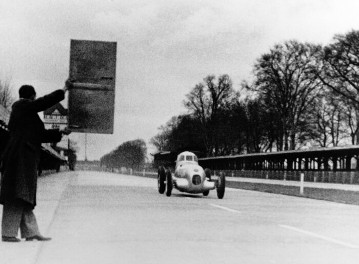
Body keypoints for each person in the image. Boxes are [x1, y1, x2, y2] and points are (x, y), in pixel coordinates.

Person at [0, 81, 70, 242]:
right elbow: (43, 103)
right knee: (17, 193)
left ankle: (31, 231)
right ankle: (8, 233)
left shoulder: (26, 115)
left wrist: (61, 132)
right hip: (20, 158)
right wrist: (63, 89)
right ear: (31, 97)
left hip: (24, 158)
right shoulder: (21, 106)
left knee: (22, 193)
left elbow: (41, 135)